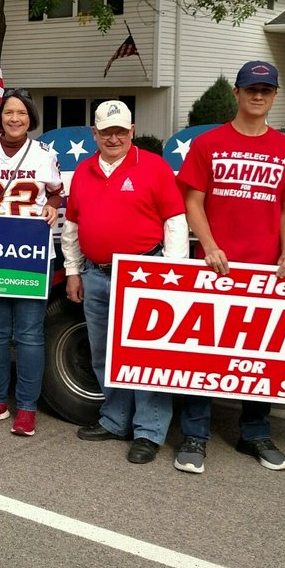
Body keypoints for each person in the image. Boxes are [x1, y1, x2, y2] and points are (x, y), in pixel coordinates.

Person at [176, 61, 285, 471]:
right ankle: (195, 435)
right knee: (204, 355)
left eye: (266, 90)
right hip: (214, 268)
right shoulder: (209, 143)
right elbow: (192, 201)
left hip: (265, 271)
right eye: (251, 88)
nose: (258, 95)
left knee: (258, 356)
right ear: (236, 92)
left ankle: (254, 433)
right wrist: (210, 246)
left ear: (274, 96)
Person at [62, 100, 196, 465]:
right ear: (94, 133)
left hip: (145, 273)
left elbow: (175, 222)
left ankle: (148, 431)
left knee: (146, 356)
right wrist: (73, 271)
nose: (114, 138)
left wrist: (172, 276)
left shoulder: (153, 167)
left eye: (121, 131)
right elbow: (72, 225)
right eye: (107, 132)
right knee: (103, 353)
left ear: (132, 131)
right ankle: (115, 419)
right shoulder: (84, 170)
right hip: (96, 274)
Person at [0, 88, 63, 437]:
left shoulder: (44, 154)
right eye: (8, 112)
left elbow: (56, 191)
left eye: (21, 113)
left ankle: (27, 407)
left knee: (30, 334)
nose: (14, 118)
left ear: (31, 118)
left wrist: (52, 207)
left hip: (31, 252)